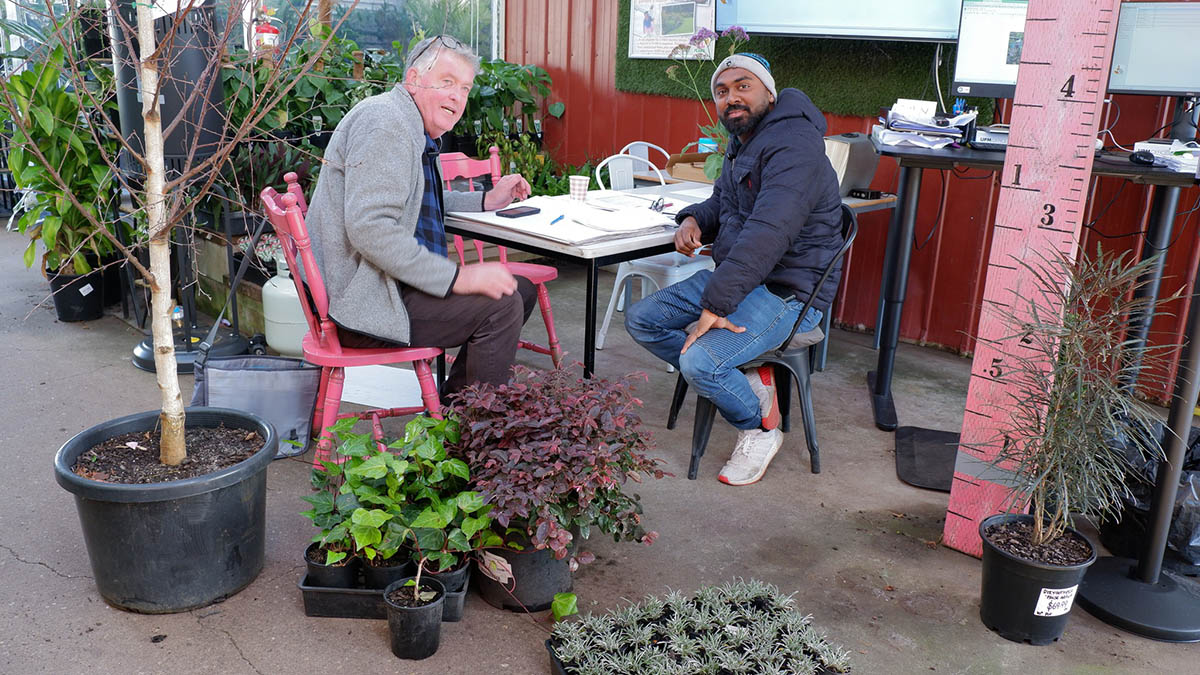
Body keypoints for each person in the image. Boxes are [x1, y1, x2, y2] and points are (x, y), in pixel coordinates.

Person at [625, 53, 844, 486]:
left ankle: (760, 429)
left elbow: (767, 232)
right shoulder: (746, 137)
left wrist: (716, 303)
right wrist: (693, 219)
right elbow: (724, 202)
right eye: (722, 92)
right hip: (745, 277)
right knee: (643, 319)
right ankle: (747, 379)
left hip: (788, 293)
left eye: (743, 86)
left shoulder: (794, 145)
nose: (731, 98)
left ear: (769, 92)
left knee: (701, 363)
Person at [305, 35, 537, 395]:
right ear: (413, 79)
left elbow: (418, 198)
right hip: (365, 303)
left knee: (518, 290)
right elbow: (372, 228)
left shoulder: (407, 122)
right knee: (502, 306)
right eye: (447, 82)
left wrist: (487, 198)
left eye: (464, 88)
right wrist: (458, 278)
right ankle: (476, 437)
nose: (457, 97)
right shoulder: (388, 125)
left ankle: (455, 412)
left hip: (382, 286)